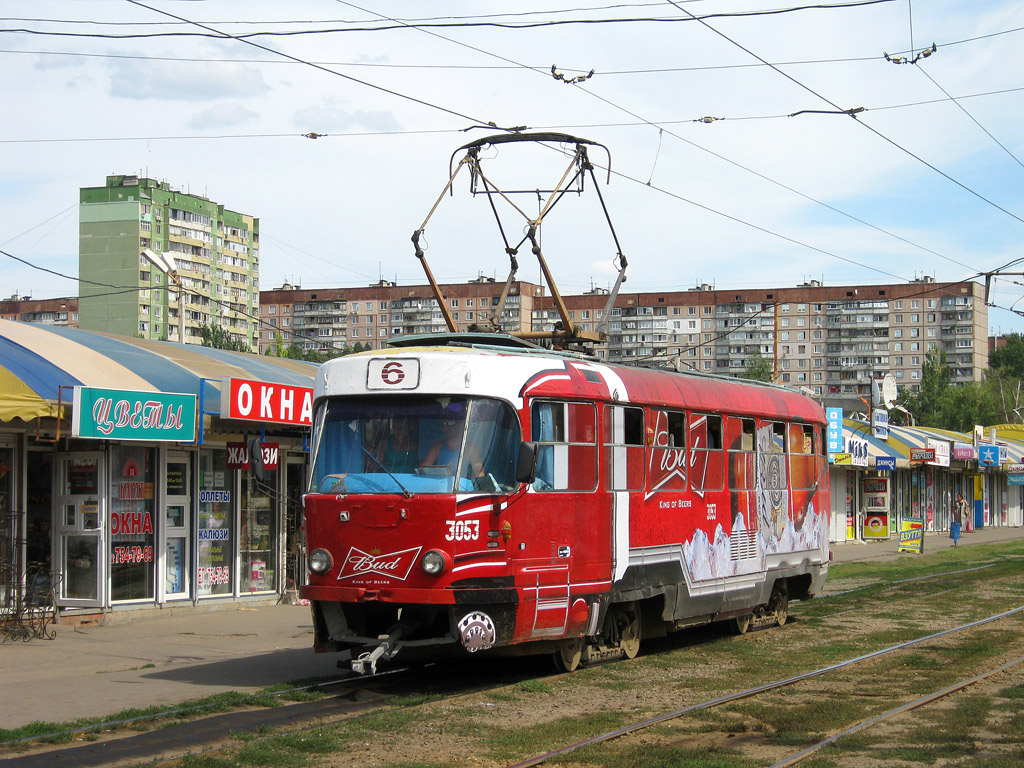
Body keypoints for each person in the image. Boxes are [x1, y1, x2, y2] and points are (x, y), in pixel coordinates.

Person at [421, 414, 483, 479]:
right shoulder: (437, 446)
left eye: (451, 423)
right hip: (440, 487)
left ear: (459, 425)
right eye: (444, 424)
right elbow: (423, 469)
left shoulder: (470, 447)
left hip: (460, 488)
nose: (447, 427)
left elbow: (479, 472)